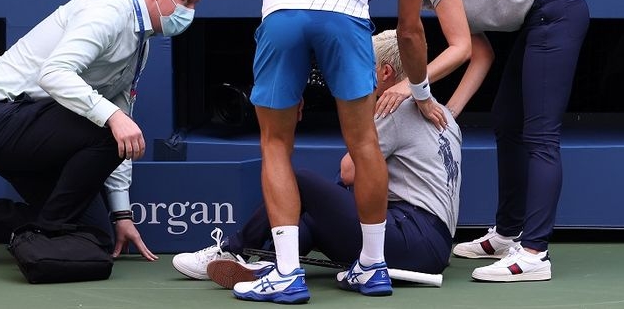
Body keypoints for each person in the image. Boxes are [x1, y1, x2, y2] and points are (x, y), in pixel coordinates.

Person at [237, 0, 452, 304]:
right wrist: (422, 92)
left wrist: (292, 83)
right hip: (343, 19)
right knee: (364, 143)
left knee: (275, 144)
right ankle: (372, 268)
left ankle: (285, 274)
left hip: (281, 17)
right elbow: (410, 32)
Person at [171, 29, 462, 291]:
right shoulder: (445, 116)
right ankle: (270, 263)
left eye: (364, 67)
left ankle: (234, 248)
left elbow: (348, 172)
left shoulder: (394, 107)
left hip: (411, 237)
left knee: (301, 181)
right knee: (311, 218)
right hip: (432, 247)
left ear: (386, 73)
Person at [0, 0, 206, 263]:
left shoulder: (141, 43)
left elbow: (123, 134)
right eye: (187, 2)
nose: (190, 12)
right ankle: (49, 232)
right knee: (111, 127)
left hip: (38, 132)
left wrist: (121, 213)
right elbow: (54, 74)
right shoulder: (106, 12)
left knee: (94, 236)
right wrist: (111, 115)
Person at [375, 0, 590, 282]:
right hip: (541, 15)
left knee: (541, 135)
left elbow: (460, 50)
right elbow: (482, 53)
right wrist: (447, 114)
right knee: (507, 119)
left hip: (556, 9)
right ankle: (507, 234)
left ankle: (534, 253)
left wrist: (411, 88)